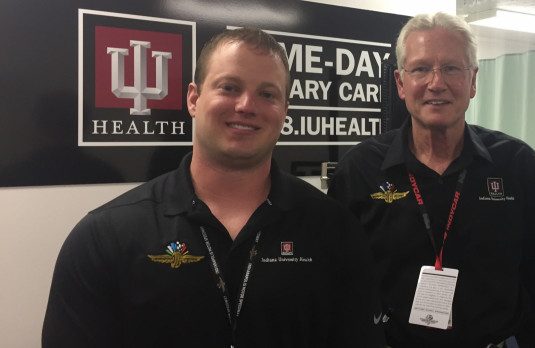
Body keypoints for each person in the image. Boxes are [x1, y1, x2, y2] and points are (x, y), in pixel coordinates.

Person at [42, 27, 384, 348]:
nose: (246, 106)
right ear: (194, 99)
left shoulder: (335, 230)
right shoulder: (104, 237)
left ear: (284, 112)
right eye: (229, 87)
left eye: (267, 94)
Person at [327, 12, 535, 347]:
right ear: (401, 83)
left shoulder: (515, 165)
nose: (436, 83)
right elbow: (336, 285)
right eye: (421, 69)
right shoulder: (360, 170)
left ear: (473, 81)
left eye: (451, 68)